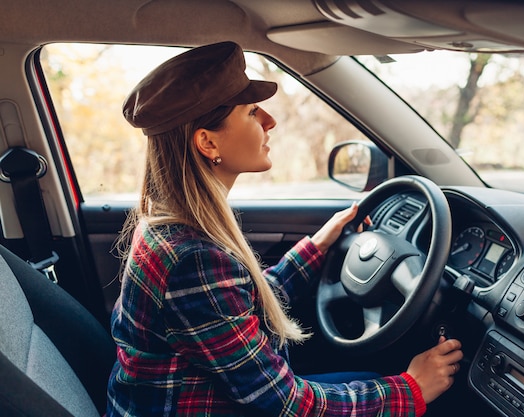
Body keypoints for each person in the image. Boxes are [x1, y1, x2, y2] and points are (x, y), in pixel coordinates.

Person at [106, 41, 463, 417]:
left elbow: (241, 307)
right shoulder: (195, 258)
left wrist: (320, 245)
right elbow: (287, 405)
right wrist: (412, 389)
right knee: (387, 386)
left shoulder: (168, 227)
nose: (270, 122)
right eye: (252, 112)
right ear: (207, 141)